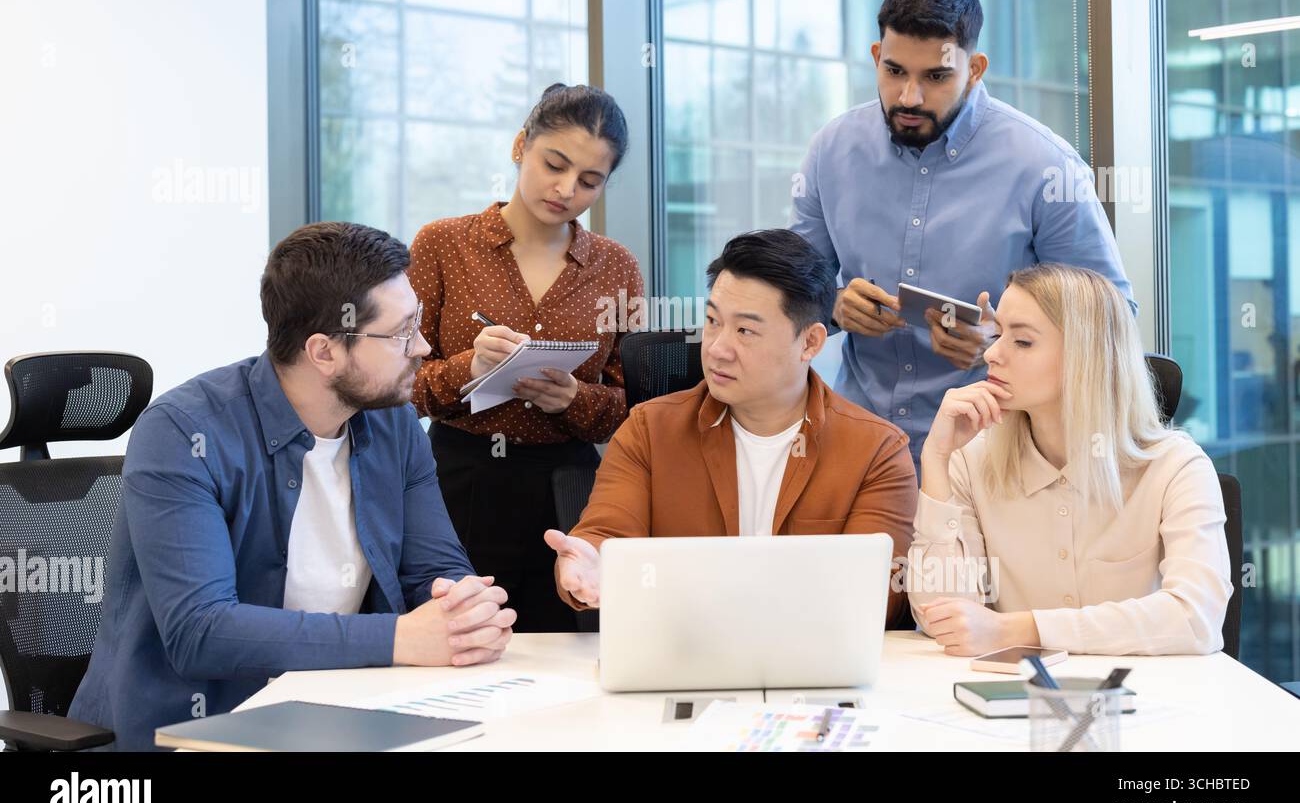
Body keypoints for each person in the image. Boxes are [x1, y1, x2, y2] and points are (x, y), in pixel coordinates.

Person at [70, 223, 515, 750]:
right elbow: (201, 632)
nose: (421, 346)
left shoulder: (393, 422)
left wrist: (465, 612)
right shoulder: (182, 431)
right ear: (324, 352)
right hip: (196, 729)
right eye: (401, 331)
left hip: (346, 712)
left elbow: (436, 572)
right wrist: (401, 637)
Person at [789, 0, 1134, 471]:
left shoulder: (1045, 167)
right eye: (894, 71)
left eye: (935, 77)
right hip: (858, 448)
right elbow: (794, 292)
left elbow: (1114, 316)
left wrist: (1003, 338)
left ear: (974, 69)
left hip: (997, 454)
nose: (909, 97)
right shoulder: (830, 151)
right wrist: (834, 306)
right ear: (874, 58)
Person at [544, 229, 917, 628]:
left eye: (745, 331)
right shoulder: (649, 430)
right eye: (712, 321)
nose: (717, 347)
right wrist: (593, 565)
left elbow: (876, 595)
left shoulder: (876, 450)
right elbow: (606, 535)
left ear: (809, 342)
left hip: (811, 669)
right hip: (679, 659)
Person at [408, 83, 644, 633]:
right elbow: (400, 384)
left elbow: (638, 407)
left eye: (590, 181)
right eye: (553, 165)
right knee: (457, 638)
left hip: (568, 490)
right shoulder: (443, 244)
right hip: (458, 478)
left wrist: (574, 399)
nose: (566, 189)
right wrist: (468, 367)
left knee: (569, 645)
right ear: (520, 146)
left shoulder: (615, 267)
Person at [907, 263, 1231, 656]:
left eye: (1022, 342)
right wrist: (937, 459)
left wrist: (1018, 629)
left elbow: (1196, 618)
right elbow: (939, 618)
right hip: (1012, 706)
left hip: (1147, 703)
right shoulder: (972, 461)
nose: (991, 353)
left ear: (1087, 357)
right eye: (997, 335)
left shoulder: (1176, 467)